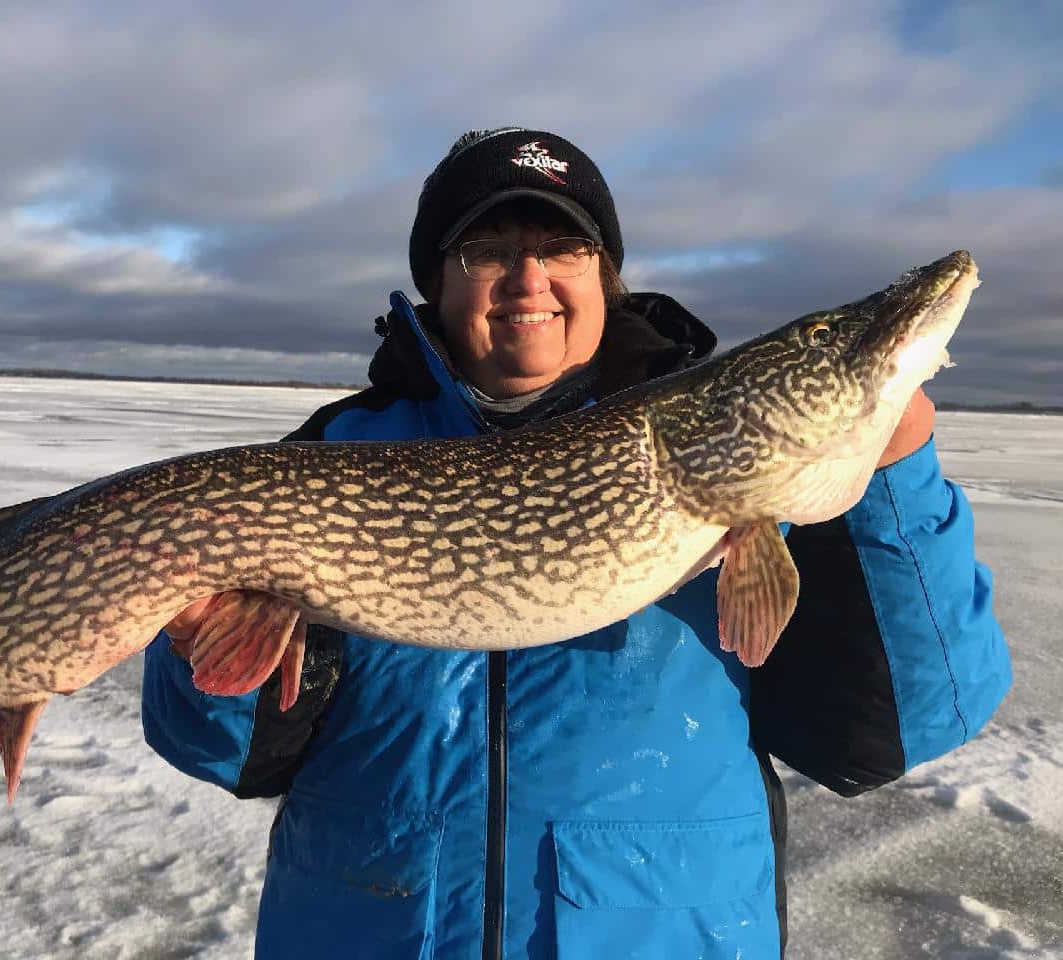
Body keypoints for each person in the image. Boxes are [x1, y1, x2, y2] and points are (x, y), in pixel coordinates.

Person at [142, 128, 1011, 959]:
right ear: (437, 283)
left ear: (607, 278)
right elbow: (227, 753)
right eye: (488, 249)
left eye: (564, 248)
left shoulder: (776, 494)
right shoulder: (331, 460)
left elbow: (887, 738)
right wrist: (209, 657)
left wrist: (892, 478)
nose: (529, 280)